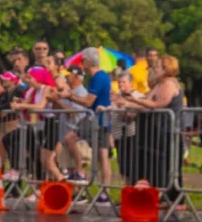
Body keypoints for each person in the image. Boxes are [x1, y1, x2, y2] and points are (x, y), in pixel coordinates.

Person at [118, 55, 184, 204]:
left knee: (168, 166)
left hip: (167, 130)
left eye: (159, 67)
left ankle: (173, 198)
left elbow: (158, 104)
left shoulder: (169, 84)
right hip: (155, 131)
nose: (156, 70)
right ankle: (162, 196)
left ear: (167, 69)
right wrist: (127, 104)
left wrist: (133, 100)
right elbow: (145, 103)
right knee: (156, 165)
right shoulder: (158, 85)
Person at [60, 48, 113, 199]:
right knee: (102, 155)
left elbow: (88, 101)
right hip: (101, 117)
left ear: (89, 61)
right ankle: (105, 191)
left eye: (83, 60)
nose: (82, 63)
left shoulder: (98, 78)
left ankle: (80, 173)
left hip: (96, 117)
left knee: (71, 139)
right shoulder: (102, 76)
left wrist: (70, 97)